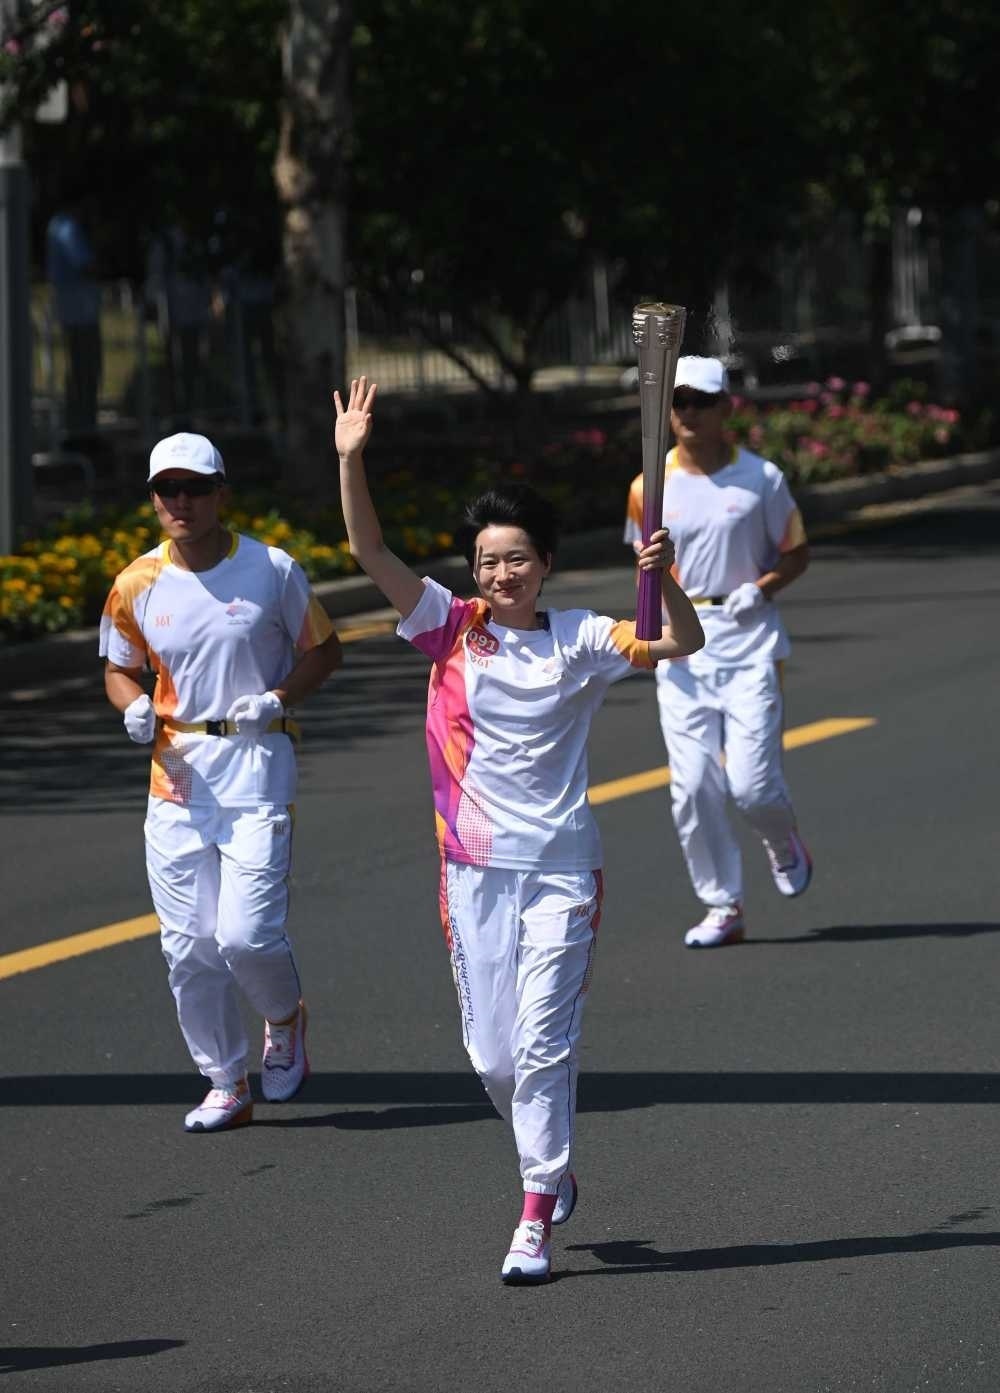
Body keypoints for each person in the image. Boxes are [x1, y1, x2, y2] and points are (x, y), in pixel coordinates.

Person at [336, 376, 704, 1284]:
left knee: (542, 1044)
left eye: (517, 559)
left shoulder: (578, 637)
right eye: (487, 560)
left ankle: (535, 1206)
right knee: (494, 1057)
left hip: (561, 869)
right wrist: (351, 460)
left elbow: (678, 643)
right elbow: (370, 550)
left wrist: (664, 578)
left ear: (545, 562)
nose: (501, 574)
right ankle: (553, 1162)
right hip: (471, 871)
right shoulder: (449, 628)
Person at [99, 432, 342, 1132]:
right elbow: (119, 667)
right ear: (153, 499)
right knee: (187, 946)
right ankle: (225, 1081)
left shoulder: (271, 568)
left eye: (196, 488)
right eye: (168, 489)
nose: (183, 501)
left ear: (221, 493)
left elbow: (324, 650)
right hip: (176, 776)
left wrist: (279, 697)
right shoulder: (136, 582)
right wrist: (133, 704)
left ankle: (284, 1018)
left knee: (245, 935)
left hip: (256, 766)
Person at [624, 356, 812, 949]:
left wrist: (762, 589)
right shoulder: (648, 487)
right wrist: (649, 633)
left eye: (701, 401)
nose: (689, 413)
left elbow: (797, 553)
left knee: (751, 786)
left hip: (748, 639)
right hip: (683, 646)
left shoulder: (762, 479)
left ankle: (780, 839)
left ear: (725, 406)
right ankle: (722, 903)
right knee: (693, 787)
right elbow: (645, 569)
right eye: (678, 402)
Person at [45, 199, 102, 434]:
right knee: (85, 372)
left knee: (81, 372)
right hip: (80, 313)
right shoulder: (67, 227)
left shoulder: (58, 224)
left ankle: (80, 426)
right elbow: (84, 264)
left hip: (76, 311)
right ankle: (82, 429)